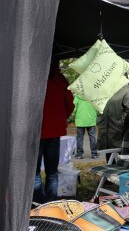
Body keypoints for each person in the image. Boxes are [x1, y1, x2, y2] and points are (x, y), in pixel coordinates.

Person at [34, 60, 74, 203]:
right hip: (54, 132)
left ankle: (39, 204)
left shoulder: (33, 77)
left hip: (36, 131)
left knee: (35, 173)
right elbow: (70, 104)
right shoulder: (61, 80)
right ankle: (50, 204)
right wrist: (61, 118)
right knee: (52, 172)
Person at [97, 84, 129, 163]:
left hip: (118, 133)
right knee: (109, 158)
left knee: (119, 160)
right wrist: (99, 119)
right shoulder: (104, 89)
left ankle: (117, 173)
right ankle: (110, 173)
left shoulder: (125, 90)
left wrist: (120, 122)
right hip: (105, 133)